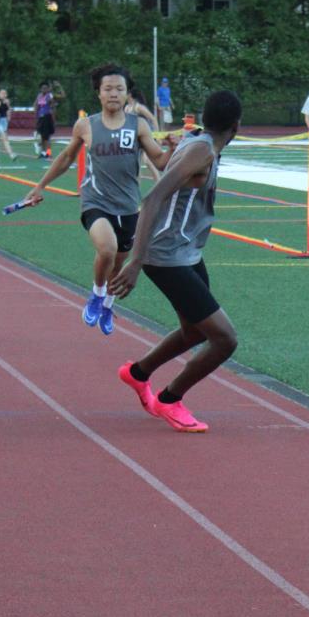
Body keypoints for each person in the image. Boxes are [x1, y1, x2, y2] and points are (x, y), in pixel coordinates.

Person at [111, 90, 242, 433]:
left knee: (195, 331)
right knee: (225, 339)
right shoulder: (201, 150)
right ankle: (170, 399)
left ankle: (137, 373)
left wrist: (173, 146)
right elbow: (153, 197)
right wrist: (136, 260)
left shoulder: (198, 142)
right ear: (236, 127)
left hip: (186, 252)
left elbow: (169, 170)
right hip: (166, 255)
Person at [22, 63, 171, 334]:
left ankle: (108, 305)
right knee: (107, 249)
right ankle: (97, 294)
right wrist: (40, 186)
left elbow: (159, 160)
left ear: (127, 94)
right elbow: (66, 157)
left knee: (118, 263)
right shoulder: (86, 125)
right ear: (98, 93)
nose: (114, 93)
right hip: (96, 202)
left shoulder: (138, 126)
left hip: (128, 206)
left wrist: (172, 149)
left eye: (119, 89)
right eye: (108, 89)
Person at [34, 82, 56, 158]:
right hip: (41, 118)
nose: (44, 89)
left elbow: (53, 106)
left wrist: (53, 118)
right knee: (42, 137)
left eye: (46, 88)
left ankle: (49, 153)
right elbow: (36, 105)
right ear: (40, 89)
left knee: (48, 137)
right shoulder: (39, 96)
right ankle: (43, 153)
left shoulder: (49, 96)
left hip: (47, 117)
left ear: (48, 89)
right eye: (43, 88)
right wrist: (36, 116)